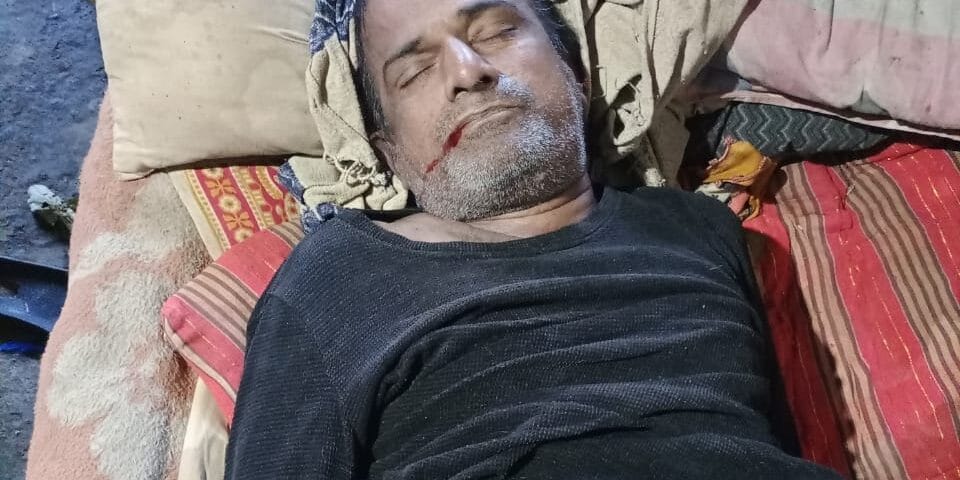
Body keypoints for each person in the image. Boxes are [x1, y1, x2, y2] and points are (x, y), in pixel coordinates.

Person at [225, 0, 843, 478]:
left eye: (497, 32)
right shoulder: (340, 273)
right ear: (390, 152)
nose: (467, 71)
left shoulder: (696, 226)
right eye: (414, 71)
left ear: (575, 75)